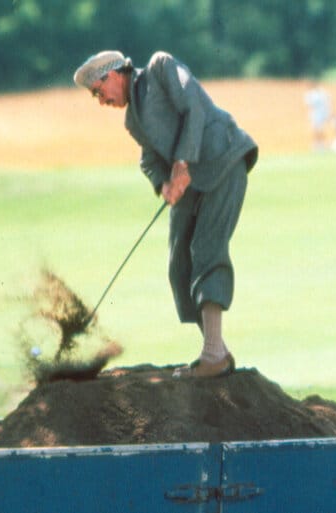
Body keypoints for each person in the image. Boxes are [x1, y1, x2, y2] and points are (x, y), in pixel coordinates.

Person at [73, 50, 258, 378]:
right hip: (188, 179)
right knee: (179, 265)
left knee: (207, 249)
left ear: (113, 74)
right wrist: (164, 184)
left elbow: (194, 109)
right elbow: (149, 159)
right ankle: (216, 351)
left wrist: (182, 163)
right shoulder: (132, 120)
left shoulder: (161, 67)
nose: (101, 101)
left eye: (99, 93)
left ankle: (213, 353)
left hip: (223, 160)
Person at [303, 81, 331, 150]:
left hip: (320, 114)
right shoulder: (311, 94)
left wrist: (327, 114)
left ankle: (322, 144)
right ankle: (317, 144)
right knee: (316, 129)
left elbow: (326, 104)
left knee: (320, 129)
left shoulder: (321, 93)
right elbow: (309, 105)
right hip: (315, 114)